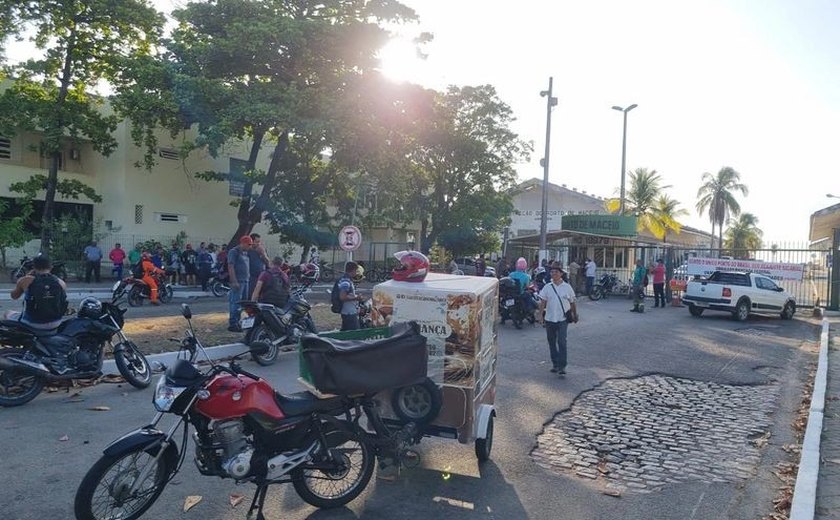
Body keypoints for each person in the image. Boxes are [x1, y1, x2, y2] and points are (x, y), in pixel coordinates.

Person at [537, 263, 577, 376]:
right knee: (551, 342)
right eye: (552, 272)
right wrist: (540, 315)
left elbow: (572, 302)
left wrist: (575, 314)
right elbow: (543, 302)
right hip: (549, 318)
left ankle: (562, 366)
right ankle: (555, 364)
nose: (553, 274)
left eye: (556, 272)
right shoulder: (547, 287)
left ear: (561, 274)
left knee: (562, 342)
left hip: (563, 319)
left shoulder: (567, 287)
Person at [8, 255, 68, 329]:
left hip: (32, 323)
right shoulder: (61, 282)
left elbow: (14, 296)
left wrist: (26, 278)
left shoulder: (25, 280)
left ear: (33, 267)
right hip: (56, 322)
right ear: (51, 267)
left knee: (8, 313)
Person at [227, 235, 253, 332]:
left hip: (246, 280)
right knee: (235, 302)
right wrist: (234, 281)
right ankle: (233, 323)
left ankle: (239, 321)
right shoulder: (234, 252)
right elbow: (230, 266)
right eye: (248, 244)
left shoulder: (245, 253)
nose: (250, 247)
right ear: (243, 243)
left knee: (243, 303)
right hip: (238, 281)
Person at [337, 261, 365, 331]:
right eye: (356, 270)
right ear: (353, 270)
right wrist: (357, 298)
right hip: (349, 312)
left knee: (346, 333)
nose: (356, 273)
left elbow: (348, 294)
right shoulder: (346, 281)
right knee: (355, 334)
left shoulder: (347, 280)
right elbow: (342, 297)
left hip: (348, 312)